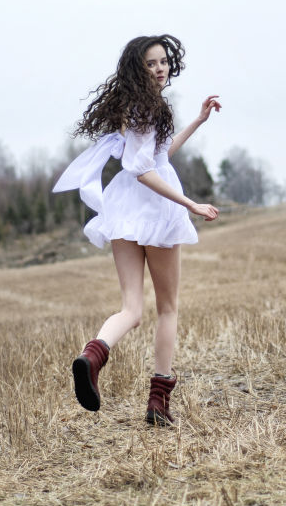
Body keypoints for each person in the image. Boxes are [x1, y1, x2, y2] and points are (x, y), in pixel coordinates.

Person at [52, 34, 220, 426]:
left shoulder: (134, 107)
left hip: (124, 208)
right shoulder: (151, 107)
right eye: (151, 63)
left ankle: (92, 355)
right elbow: (145, 171)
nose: (160, 68)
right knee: (167, 308)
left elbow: (159, 156)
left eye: (163, 61)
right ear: (138, 69)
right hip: (154, 209)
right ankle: (158, 404)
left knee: (131, 308)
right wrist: (190, 204)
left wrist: (197, 121)